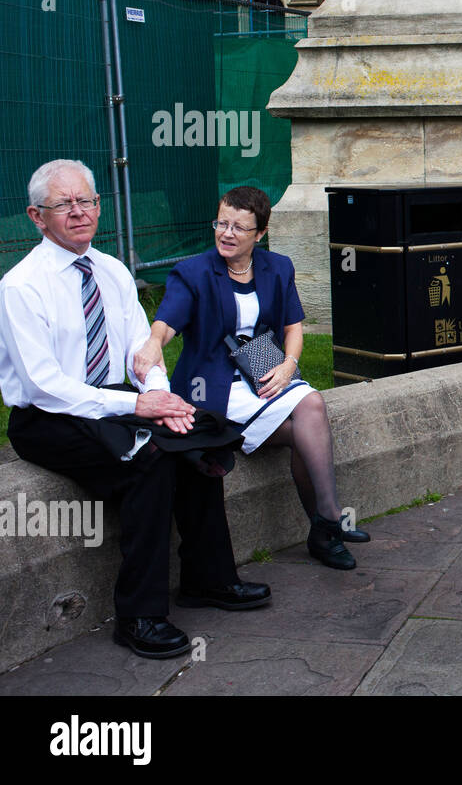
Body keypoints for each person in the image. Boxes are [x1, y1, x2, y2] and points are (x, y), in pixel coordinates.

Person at [0, 159, 270, 660]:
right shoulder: (21, 286)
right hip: (48, 418)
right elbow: (44, 386)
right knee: (149, 461)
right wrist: (139, 404)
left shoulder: (113, 270)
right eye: (65, 205)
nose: (81, 212)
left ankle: (208, 579)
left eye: (89, 201)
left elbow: (139, 351)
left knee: (195, 441)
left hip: (109, 401)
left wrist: (163, 398)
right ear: (38, 217)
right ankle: (139, 616)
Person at [132, 186, 367, 571]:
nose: (227, 233)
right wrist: (154, 342)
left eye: (240, 227)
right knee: (310, 420)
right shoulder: (192, 272)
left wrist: (290, 364)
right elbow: (167, 320)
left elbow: (293, 327)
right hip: (213, 385)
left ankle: (324, 527)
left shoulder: (279, 267)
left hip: (263, 368)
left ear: (260, 233)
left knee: (309, 410)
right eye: (221, 223)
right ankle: (328, 520)